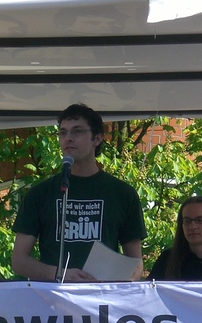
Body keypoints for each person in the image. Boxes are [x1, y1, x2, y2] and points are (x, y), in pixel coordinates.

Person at [11, 104, 146, 282]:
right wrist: (60, 274)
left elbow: (136, 264)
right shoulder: (40, 194)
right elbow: (19, 261)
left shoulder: (123, 194)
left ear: (97, 138)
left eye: (77, 131)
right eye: (63, 132)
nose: (68, 138)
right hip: (54, 297)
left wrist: (116, 286)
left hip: (103, 295)